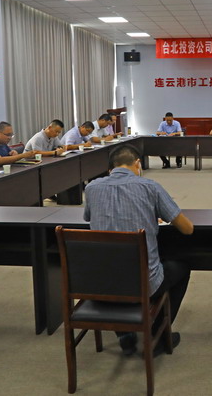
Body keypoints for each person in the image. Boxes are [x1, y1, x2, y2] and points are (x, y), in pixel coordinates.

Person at [84, 145, 194, 356]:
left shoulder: (92, 188)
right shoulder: (150, 187)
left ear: (111, 169)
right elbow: (187, 229)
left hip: (100, 283)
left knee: (114, 265)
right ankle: (158, 336)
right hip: (142, 283)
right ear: (137, 164)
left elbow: (89, 217)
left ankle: (124, 334)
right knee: (181, 267)